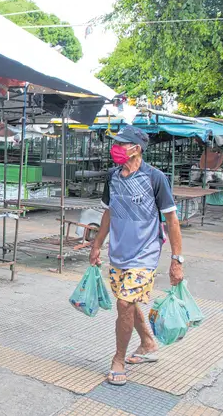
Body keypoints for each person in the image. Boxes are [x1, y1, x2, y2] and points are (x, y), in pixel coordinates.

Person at [89, 126, 184, 386]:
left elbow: (172, 220)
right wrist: (97, 244)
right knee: (127, 300)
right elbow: (108, 212)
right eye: (116, 143)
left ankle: (117, 360)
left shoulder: (155, 178)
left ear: (137, 148)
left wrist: (177, 260)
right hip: (118, 253)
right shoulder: (112, 176)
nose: (116, 148)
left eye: (122, 144)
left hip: (146, 253)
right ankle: (148, 343)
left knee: (124, 304)